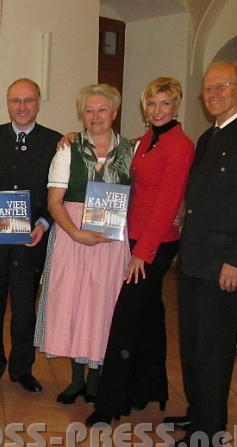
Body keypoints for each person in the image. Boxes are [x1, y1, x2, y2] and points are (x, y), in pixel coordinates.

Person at [165, 60, 237, 447]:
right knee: (192, 343)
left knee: (214, 348)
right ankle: (198, 412)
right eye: (208, 89)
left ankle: (210, 431)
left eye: (222, 87)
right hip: (195, 260)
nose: (214, 94)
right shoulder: (209, 137)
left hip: (226, 264)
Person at [85, 78, 194, 426]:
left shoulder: (180, 144)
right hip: (134, 237)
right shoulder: (145, 140)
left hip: (156, 243)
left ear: (176, 106)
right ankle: (148, 387)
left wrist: (142, 253)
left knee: (126, 318)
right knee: (149, 316)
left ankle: (109, 404)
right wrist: (74, 138)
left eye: (165, 104)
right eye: (152, 104)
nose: (158, 110)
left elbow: (167, 203)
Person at [34, 84, 134, 404]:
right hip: (72, 234)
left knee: (103, 304)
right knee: (74, 303)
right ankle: (76, 377)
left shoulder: (132, 151)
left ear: (114, 113)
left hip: (111, 240)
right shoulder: (68, 148)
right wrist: (76, 233)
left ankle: (96, 377)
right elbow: (54, 201)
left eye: (102, 109)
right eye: (89, 110)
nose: (95, 116)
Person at [0, 78, 61, 394]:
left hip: (31, 237)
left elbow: (58, 192)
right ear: (7, 104)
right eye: (15, 101)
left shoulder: (56, 142)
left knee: (25, 306)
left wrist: (44, 223)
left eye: (27, 100)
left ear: (38, 102)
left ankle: (23, 369)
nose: (21, 107)